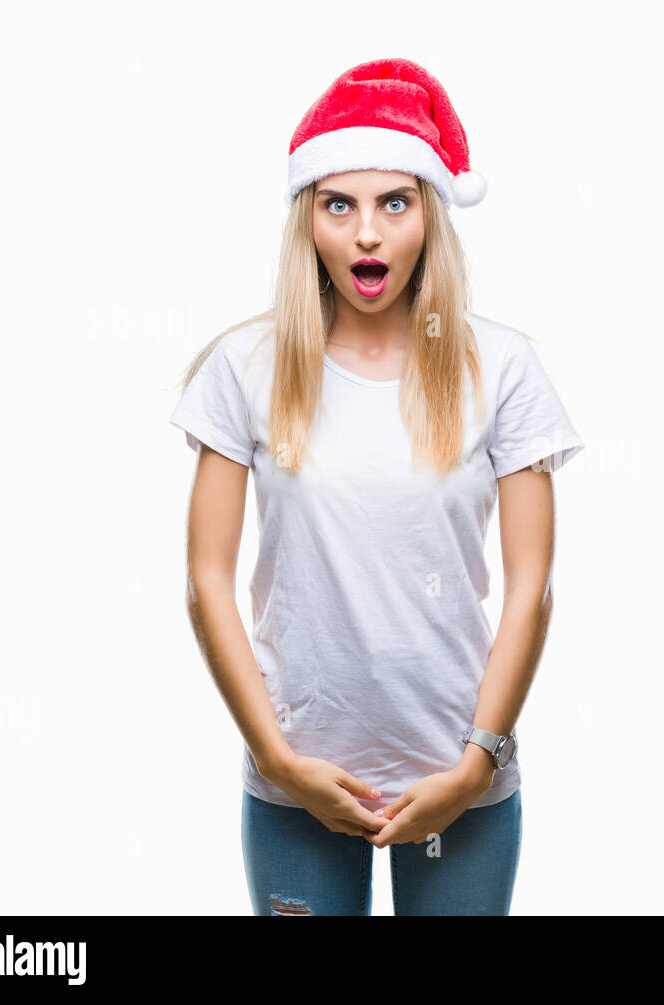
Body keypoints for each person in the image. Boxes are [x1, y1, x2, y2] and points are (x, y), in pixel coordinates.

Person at [168, 58, 584, 916]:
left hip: (460, 784)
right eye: (338, 204)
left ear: (431, 212)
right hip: (298, 788)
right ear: (307, 218)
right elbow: (207, 582)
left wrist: (475, 765)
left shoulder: (502, 369)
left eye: (394, 202)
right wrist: (281, 762)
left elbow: (531, 589)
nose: (366, 233)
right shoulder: (242, 370)